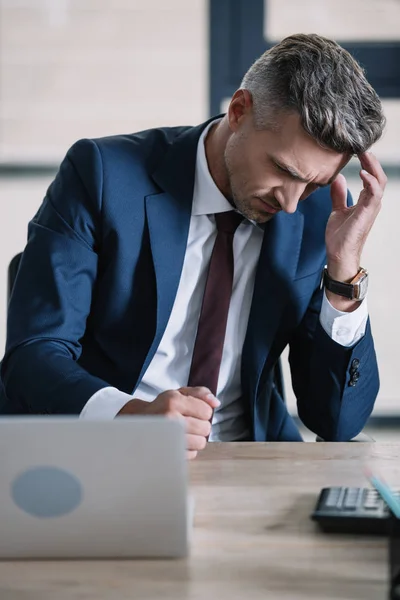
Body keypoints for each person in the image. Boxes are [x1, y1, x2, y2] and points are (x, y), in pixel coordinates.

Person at [0, 34, 386, 458]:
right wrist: (128, 415)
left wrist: (344, 272)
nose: (291, 203)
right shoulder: (103, 175)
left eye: (313, 184)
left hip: (253, 463)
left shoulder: (318, 219)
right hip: (111, 454)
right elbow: (33, 356)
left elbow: (337, 421)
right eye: (282, 169)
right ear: (239, 111)